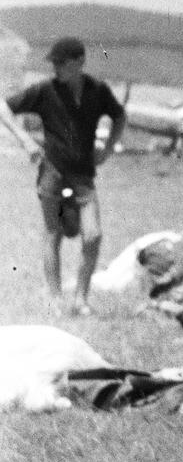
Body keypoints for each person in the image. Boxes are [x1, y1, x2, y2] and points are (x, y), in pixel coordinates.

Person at [0, 35, 126, 316]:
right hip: (52, 175)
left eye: (61, 63)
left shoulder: (97, 91)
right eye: (53, 63)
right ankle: (56, 299)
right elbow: (3, 107)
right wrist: (26, 141)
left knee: (93, 236)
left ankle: (81, 299)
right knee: (53, 235)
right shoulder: (45, 90)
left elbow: (119, 116)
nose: (55, 68)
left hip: (83, 178)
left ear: (79, 62)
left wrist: (106, 150)